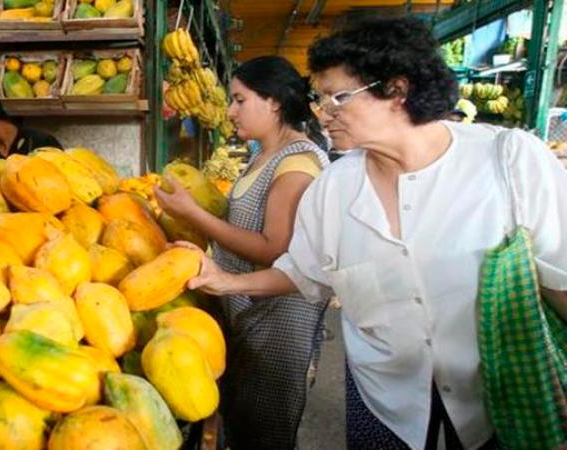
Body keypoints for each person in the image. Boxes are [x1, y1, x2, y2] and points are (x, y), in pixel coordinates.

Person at [184, 17, 567, 450]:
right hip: (385, 405)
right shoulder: (334, 188)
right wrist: (224, 280)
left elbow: (561, 281)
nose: (322, 113)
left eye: (337, 97)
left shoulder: (509, 162)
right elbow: (303, 271)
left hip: (499, 402)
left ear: (397, 91)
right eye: (319, 98)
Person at [155, 55, 330, 450]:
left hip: (277, 319)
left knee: (265, 431)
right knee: (243, 421)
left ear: (273, 102)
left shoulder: (298, 163)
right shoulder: (265, 152)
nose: (230, 111)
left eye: (239, 100)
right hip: (247, 307)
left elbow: (273, 249)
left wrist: (193, 214)